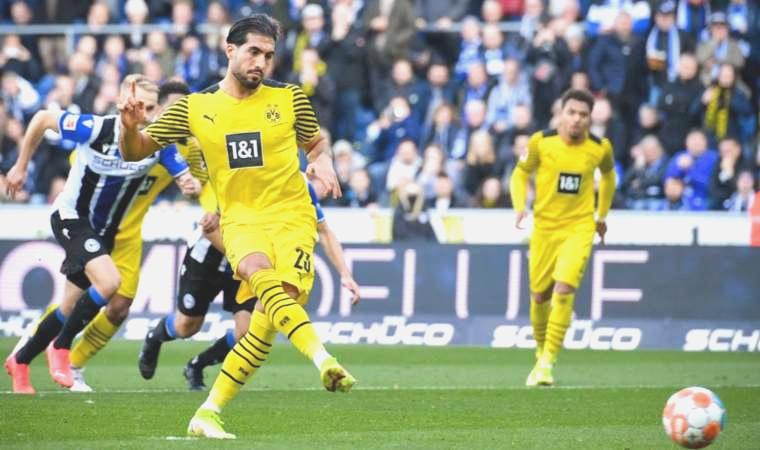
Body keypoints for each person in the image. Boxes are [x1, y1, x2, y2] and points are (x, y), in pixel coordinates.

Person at [118, 14, 352, 439]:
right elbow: (136, 150)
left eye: (268, 55)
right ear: (230, 50)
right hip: (239, 219)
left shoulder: (290, 98)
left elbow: (316, 142)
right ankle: (324, 360)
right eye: (253, 51)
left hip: (293, 217)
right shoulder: (195, 107)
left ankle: (208, 412)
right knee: (259, 276)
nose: (261, 62)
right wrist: (128, 128)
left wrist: (323, 160)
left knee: (263, 324)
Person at [3, 75, 199, 394]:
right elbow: (42, 118)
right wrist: (21, 166)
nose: (149, 115)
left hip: (104, 233)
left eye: (153, 108)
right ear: (124, 103)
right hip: (71, 218)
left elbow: (187, 176)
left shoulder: (158, 145)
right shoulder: (94, 128)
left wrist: (190, 184)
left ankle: (20, 361)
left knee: (68, 306)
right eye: (143, 107)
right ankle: (62, 348)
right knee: (109, 283)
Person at [139, 179, 361, 391]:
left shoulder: (299, 185)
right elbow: (210, 228)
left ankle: (197, 365)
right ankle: (154, 337)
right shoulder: (242, 178)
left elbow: (324, 231)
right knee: (186, 326)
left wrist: (345, 274)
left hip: (251, 262)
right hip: (211, 257)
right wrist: (246, 258)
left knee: (246, 332)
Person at [64, 81, 205, 392]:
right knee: (70, 301)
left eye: (184, 110)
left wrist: (194, 189)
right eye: (172, 108)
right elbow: (82, 164)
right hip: (94, 227)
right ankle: (33, 348)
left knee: (119, 308)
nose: (177, 115)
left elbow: (201, 184)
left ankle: (73, 364)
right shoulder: (126, 134)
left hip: (128, 236)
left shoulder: (185, 148)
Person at [509, 89, 617, 387]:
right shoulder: (540, 142)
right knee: (539, 297)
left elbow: (609, 177)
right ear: (561, 114)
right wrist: (519, 207)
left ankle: (547, 362)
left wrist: (601, 216)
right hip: (544, 228)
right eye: (572, 112)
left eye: (583, 115)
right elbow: (520, 174)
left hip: (578, 227)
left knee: (564, 288)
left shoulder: (600, 148)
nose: (577, 119)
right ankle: (540, 351)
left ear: (590, 119)